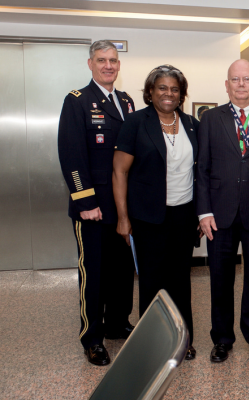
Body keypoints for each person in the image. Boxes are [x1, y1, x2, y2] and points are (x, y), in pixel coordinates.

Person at [112, 65, 200, 360]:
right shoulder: (136, 122)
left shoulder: (191, 124)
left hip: (184, 216)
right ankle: (152, 344)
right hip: (148, 217)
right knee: (151, 281)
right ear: (150, 92)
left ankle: (182, 339)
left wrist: (201, 214)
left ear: (181, 94)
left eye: (174, 89)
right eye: (162, 88)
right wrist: (123, 218)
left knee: (180, 281)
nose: (168, 94)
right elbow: (119, 171)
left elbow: (199, 171)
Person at [57, 39, 135, 366]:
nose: (108, 66)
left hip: (122, 206)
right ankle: (92, 337)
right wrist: (85, 199)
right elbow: (71, 155)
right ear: (90, 63)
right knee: (94, 273)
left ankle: (117, 323)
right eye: (102, 60)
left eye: (113, 60)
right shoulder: (77, 101)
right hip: (93, 207)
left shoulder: (127, 101)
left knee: (121, 270)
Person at [197, 59, 249, 363]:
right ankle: (222, 339)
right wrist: (204, 212)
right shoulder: (210, 119)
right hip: (220, 215)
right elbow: (201, 168)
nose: (241, 84)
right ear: (226, 85)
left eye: (247, 79)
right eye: (235, 79)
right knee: (220, 279)